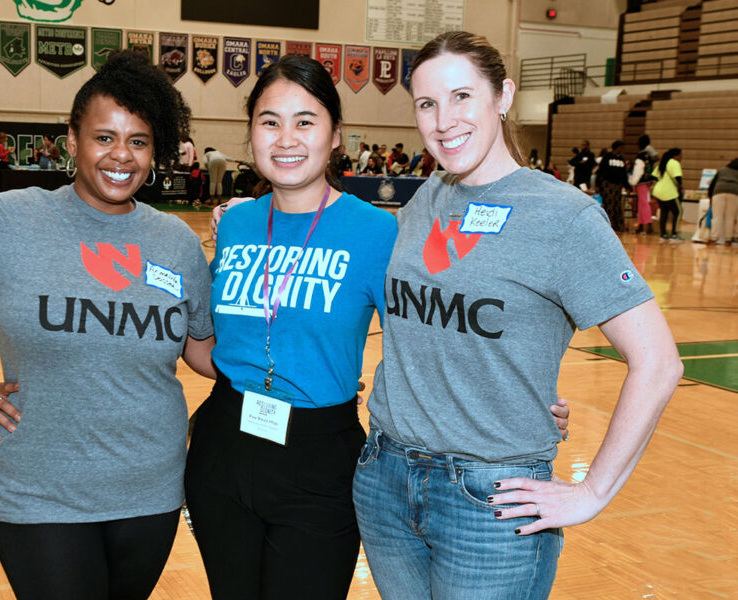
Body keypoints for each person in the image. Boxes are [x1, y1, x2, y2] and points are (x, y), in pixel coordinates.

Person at [194, 53, 571, 600]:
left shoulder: (380, 233)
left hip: (319, 456)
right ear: (250, 133)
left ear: (336, 135)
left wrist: (525, 396)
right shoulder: (236, 223)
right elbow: (203, 340)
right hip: (222, 446)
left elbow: (439, 333)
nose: (286, 138)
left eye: (305, 121)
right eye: (269, 121)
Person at [353, 31, 681, 600]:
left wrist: (593, 491)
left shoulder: (564, 217)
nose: (443, 120)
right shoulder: (426, 199)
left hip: (491, 498)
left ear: (502, 96)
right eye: (427, 104)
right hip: (385, 478)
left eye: (462, 97)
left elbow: (658, 363)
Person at [0, 50, 215, 600]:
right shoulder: (9, 220)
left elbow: (202, 351)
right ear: (72, 139)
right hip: (37, 484)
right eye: (103, 137)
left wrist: (300, 368)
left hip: (150, 485)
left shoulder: (175, 242)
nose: (121, 156)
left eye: (138, 141)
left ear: (155, 151)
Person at [595, 140, 630, 232]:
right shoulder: (607, 157)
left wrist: (627, 186)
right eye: (620, 147)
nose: (621, 149)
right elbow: (600, 172)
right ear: (616, 147)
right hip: (608, 185)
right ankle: (607, 225)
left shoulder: (622, 159)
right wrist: (597, 184)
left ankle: (617, 226)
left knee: (617, 205)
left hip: (617, 186)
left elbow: (624, 175)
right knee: (609, 205)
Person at [651, 148, 683, 241]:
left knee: (664, 212)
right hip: (669, 192)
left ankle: (663, 234)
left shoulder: (663, 162)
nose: (681, 157)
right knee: (678, 211)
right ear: (675, 156)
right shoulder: (674, 163)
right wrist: (680, 186)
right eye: (680, 155)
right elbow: (678, 178)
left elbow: (654, 176)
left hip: (659, 191)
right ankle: (674, 234)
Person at [628, 134, 657, 234]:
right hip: (648, 181)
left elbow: (639, 171)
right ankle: (641, 225)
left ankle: (648, 225)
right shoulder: (648, 155)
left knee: (644, 203)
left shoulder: (641, 156)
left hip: (641, 182)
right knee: (642, 204)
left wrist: (633, 182)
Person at [708, 157, 738, 245]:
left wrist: (710, 197)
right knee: (730, 217)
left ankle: (713, 239)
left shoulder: (722, 170)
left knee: (717, 216)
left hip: (718, 192)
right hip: (734, 193)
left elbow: (712, 184)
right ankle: (728, 240)